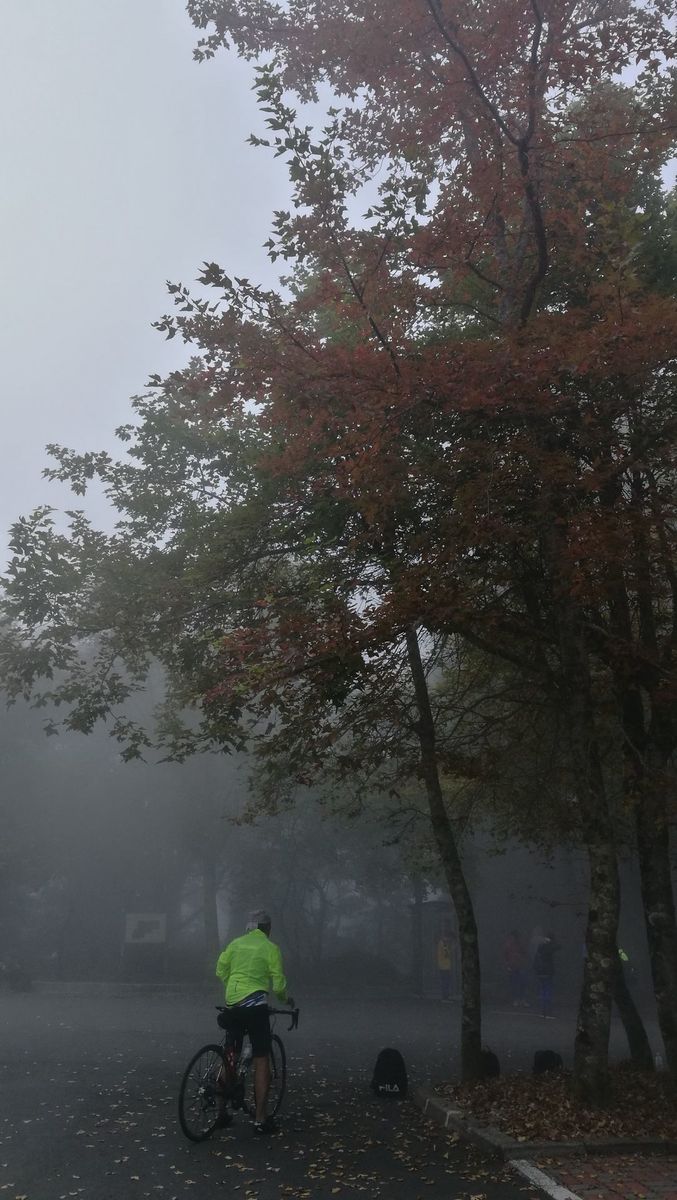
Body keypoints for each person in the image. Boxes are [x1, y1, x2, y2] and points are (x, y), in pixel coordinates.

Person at [215, 909, 294, 1135]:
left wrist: (233, 987)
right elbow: (278, 984)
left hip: (233, 1003)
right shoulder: (270, 948)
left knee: (230, 1054)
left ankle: (220, 1113)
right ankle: (260, 1119)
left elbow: (220, 969)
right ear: (268, 929)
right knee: (261, 1059)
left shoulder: (235, 944)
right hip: (256, 1006)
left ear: (249, 927)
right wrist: (286, 1000)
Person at [533, 931, 558, 1018]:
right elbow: (558, 946)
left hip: (540, 971)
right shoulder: (549, 946)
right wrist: (550, 942)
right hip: (548, 972)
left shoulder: (541, 946)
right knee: (548, 990)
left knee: (542, 990)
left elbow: (537, 956)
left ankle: (542, 1009)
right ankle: (547, 1009)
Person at [503, 930, 528, 1007]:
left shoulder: (520, 944)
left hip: (520, 966)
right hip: (513, 966)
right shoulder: (508, 944)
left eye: (513, 937)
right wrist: (507, 965)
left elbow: (525, 953)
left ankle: (522, 1000)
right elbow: (505, 956)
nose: (512, 938)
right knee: (515, 984)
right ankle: (516, 999)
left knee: (522, 983)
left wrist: (520, 958)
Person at [437, 930, 453, 1001]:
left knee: (445, 981)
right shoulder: (444, 944)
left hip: (444, 965)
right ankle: (445, 996)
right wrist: (452, 949)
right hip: (444, 966)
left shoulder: (443, 943)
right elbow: (446, 955)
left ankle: (445, 996)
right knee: (445, 982)